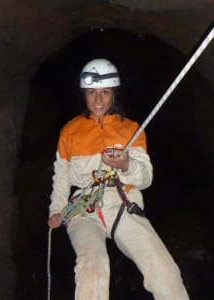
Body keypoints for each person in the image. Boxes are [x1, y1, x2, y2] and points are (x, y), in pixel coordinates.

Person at [47, 58, 189, 300]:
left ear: (114, 94)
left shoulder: (131, 129)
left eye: (105, 92)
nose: (99, 99)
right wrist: (57, 209)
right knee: (93, 265)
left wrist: (126, 164)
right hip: (84, 208)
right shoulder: (70, 131)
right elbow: (61, 176)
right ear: (84, 94)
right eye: (92, 93)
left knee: (163, 270)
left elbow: (145, 178)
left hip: (123, 202)